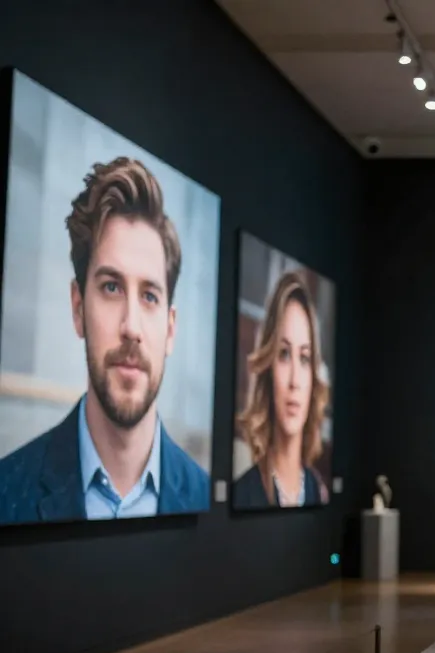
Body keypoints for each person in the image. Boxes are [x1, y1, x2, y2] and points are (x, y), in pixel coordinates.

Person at [0, 158, 210, 523]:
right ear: (78, 308)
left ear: (170, 329)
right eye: (111, 287)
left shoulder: (205, 496)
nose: (131, 327)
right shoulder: (8, 491)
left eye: (149, 296)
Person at [234, 272, 331, 508]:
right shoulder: (242, 494)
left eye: (305, 358)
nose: (295, 380)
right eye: (284, 354)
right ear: (268, 368)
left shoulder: (319, 493)